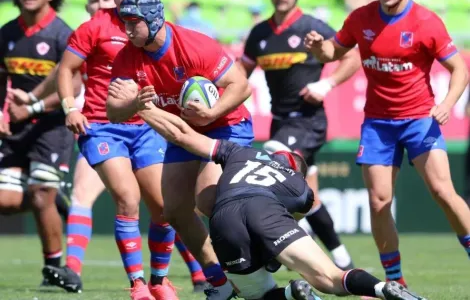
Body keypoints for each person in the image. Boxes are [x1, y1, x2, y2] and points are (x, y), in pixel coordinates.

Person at [112, 81, 428, 300]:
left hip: (224, 218)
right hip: (266, 214)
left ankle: (291, 293)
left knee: (260, 294)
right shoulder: (296, 184)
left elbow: (183, 134)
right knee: (332, 279)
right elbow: (304, 210)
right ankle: (382, 289)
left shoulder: (240, 152)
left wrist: (145, 109)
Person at [30, 0, 199, 300]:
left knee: (164, 207)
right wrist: (70, 108)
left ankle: (160, 281)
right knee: (127, 199)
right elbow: (66, 70)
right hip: (101, 126)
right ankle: (137, 285)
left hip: (146, 126)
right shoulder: (95, 27)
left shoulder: (154, 29)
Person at [304, 0, 470, 289]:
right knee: (379, 201)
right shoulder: (360, 18)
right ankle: (395, 280)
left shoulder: (426, 22)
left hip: (420, 120)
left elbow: (460, 70)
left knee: (442, 191)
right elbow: (332, 53)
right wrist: (318, 48)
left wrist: (447, 104)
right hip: (378, 124)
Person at [107, 0, 253, 300]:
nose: (127, 29)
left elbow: (241, 86)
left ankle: (259, 253)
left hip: (227, 126)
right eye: (124, 22)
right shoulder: (126, 57)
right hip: (183, 131)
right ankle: (219, 282)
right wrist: (132, 105)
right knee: (173, 210)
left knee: (206, 201)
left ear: (153, 20)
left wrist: (211, 113)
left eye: (134, 22)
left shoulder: (193, 44)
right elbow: (112, 111)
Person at [238, 0, 359, 271]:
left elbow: (352, 57)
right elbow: (240, 74)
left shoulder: (311, 26)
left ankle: (280, 247)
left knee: (272, 161)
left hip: (308, 121)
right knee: (308, 196)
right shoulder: (260, 34)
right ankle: (341, 257)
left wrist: (326, 85)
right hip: (280, 122)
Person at [0, 0, 82, 285]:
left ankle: (54, 268)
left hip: (52, 127)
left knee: (39, 193)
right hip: (15, 128)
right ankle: (52, 199)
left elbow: (74, 84)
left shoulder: (63, 34)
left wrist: (32, 108)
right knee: (6, 203)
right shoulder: (6, 33)